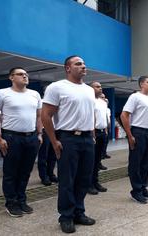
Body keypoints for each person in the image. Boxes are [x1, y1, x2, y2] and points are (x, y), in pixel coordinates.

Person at [41, 55, 96, 234]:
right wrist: (54, 140)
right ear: (67, 68)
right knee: (67, 180)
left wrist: (93, 135)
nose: (83, 66)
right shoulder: (57, 87)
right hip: (68, 138)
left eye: (84, 63)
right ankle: (66, 216)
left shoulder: (89, 90)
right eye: (78, 64)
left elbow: (90, 114)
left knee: (84, 179)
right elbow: (46, 115)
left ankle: (78, 212)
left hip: (87, 139)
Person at [0, 67, 43, 217]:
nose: (24, 76)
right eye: (20, 74)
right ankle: (11, 203)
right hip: (12, 138)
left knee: (25, 171)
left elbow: (39, 116)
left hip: (31, 138)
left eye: (26, 74)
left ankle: (21, 199)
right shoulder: (2, 93)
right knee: (11, 172)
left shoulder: (34, 94)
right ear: (11, 77)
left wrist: (39, 134)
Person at [121, 76, 148, 204]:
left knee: (146, 163)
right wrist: (130, 135)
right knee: (136, 163)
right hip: (139, 132)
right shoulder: (135, 97)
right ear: (141, 84)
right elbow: (124, 115)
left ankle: (143, 188)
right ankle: (136, 191)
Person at [89, 82, 108, 195]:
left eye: (101, 86)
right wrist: (93, 135)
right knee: (90, 162)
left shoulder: (102, 102)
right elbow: (90, 118)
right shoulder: (90, 101)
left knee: (97, 161)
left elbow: (103, 117)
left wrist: (105, 130)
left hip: (102, 133)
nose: (100, 88)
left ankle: (95, 182)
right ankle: (88, 184)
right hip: (94, 133)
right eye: (97, 86)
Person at [38, 86, 57, 186]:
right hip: (45, 131)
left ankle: (51, 174)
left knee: (53, 154)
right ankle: (44, 176)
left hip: (56, 130)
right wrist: (40, 132)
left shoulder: (57, 102)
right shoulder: (41, 102)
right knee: (43, 155)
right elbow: (39, 118)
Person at [100, 94, 111, 159]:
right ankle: (101, 155)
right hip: (102, 128)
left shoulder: (108, 109)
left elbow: (108, 118)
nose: (104, 100)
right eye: (102, 98)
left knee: (106, 142)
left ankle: (104, 153)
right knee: (101, 143)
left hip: (107, 127)